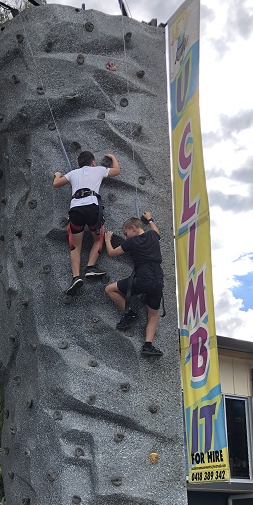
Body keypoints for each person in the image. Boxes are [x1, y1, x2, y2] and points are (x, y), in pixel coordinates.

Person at [53, 150, 121, 295]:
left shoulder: (73, 173)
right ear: (93, 162)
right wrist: (113, 157)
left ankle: (76, 277)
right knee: (98, 238)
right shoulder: (98, 170)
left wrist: (58, 174)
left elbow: (57, 183)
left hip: (76, 209)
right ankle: (90, 267)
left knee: (75, 246)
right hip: (92, 208)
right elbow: (117, 171)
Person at [104, 212, 164, 357]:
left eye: (126, 233)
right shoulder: (153, 236)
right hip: (158, 280)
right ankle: (148, 346)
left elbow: (112, 253)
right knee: (153, 315)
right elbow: (156, 231)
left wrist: (107, 239)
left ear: (133, 228)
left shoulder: (132, 242)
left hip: (143, 278)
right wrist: (150, 219)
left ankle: (130, 314)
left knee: (109, 289)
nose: (126, 237)